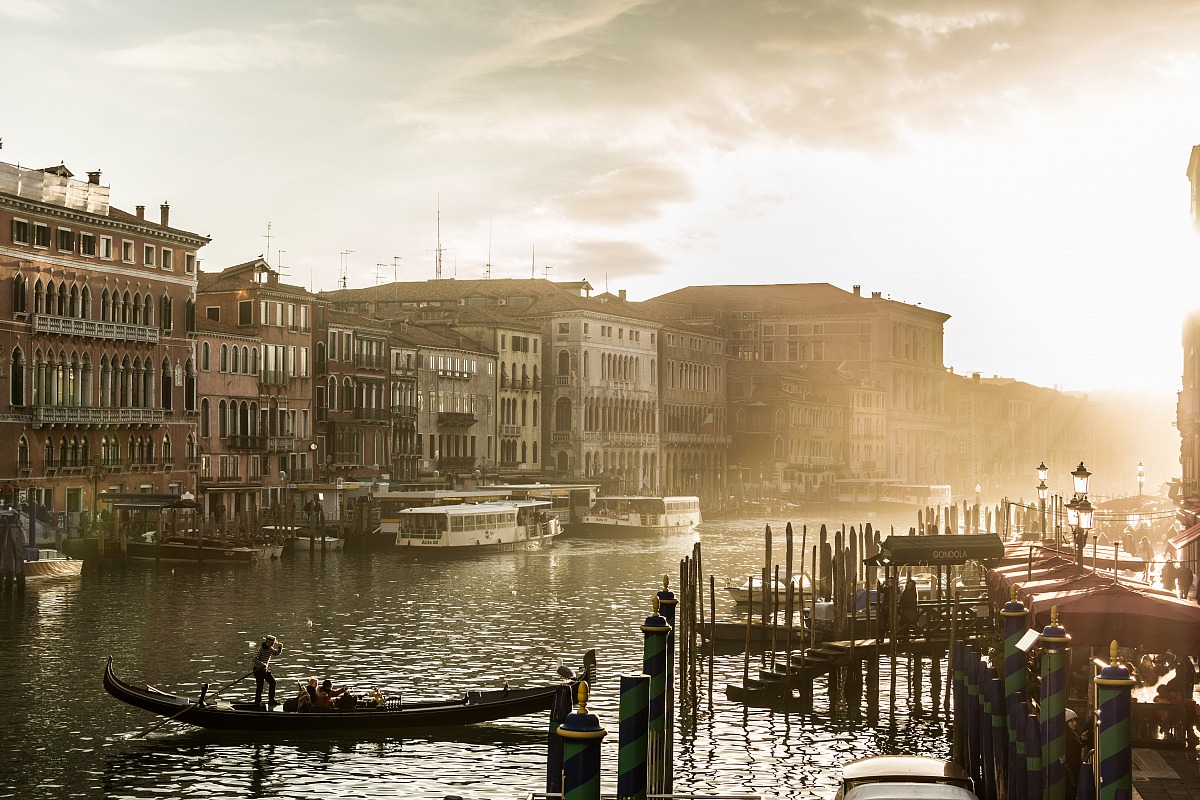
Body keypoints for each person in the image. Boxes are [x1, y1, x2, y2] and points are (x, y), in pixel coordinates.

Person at [252, 634, 283, 709]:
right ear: (267, 642)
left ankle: (271, 701)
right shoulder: (261, 649)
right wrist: (262, 664)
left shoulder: (270, 648)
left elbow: (276, 653)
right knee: (260, 687)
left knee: (273, 682)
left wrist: (280, 648)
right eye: (271, 643)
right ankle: (257, 703)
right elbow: (254, 659)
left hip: (264, 670)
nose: (272, 645)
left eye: (273, 643)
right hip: (258, 670)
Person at [1064, 708, 1082, 800]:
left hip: (1073, 769)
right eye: (1071, 721)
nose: (1075, 723)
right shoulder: (1068, 736)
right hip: (1071, 770)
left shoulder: (1071, 733)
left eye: (1075, 720)